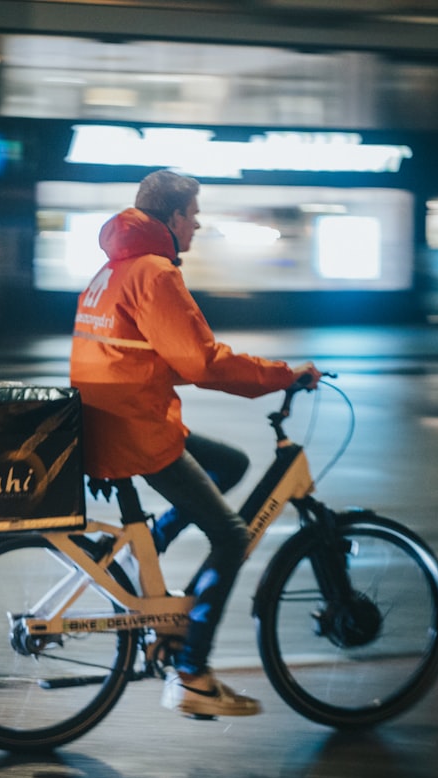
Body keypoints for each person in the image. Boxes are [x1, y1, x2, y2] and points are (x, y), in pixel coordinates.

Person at [69, 169, 321, 718]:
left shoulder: (113, 268)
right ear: (173, 217)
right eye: (194, 213)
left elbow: (153, 353)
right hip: (134, 429)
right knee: (231, 539)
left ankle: (152, 541)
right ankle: (192, 675)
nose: (199, 223)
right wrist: (282, 376)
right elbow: (202, 362)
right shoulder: (155, 272)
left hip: (109, 419)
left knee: (230, 464)